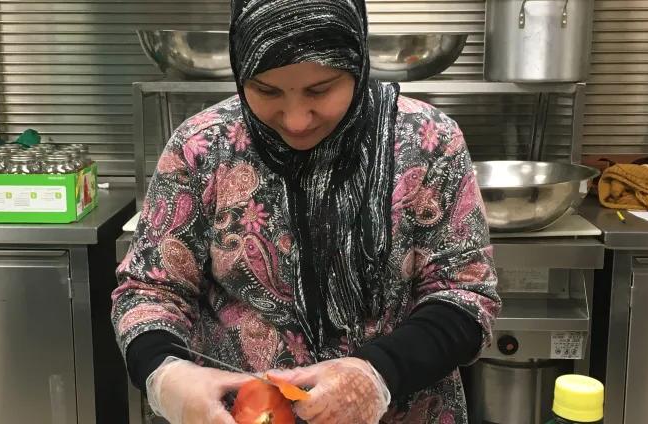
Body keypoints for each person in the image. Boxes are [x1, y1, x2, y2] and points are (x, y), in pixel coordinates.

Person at [112, 0, 501, 422]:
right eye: (266, 90)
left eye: (320, 89)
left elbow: (465, 295)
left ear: (357, 62)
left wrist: (378, 374)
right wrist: (165, 372)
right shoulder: (202, 148)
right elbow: (150, 290)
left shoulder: (429, 143)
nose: (296, 120)